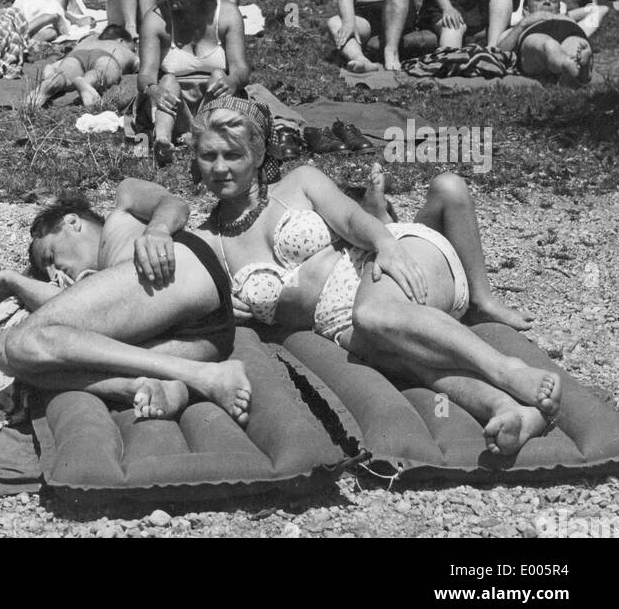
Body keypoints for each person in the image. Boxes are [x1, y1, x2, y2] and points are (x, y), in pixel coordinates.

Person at [127, 97, 560, 456]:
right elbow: (132, 194)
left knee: (375, 315)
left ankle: (508, 369)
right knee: (418, 367)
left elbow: (354, 221)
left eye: (233, 154)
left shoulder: (299, 183)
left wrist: (388, 244)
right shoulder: (208, 243)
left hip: (395, 266)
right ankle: (512, 411)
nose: (220, 168)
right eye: (209, 155)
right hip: (346, 329)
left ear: (258, 155)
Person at [0, 181, 251, 425]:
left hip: (173, 269)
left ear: (72, 222)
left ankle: (199, 376)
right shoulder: (105, 287)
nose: (56, 273)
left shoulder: (122, 210)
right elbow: (62, 328)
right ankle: (143, 386)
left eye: (50, 257)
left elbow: (174, 204)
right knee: (6, 355)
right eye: (48, 274)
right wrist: (14, 282)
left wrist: (157, 230)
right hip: (206, 339)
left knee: (20, 342)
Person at [138, 0, 249, 166]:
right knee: (167, 80)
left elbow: (241, 69)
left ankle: (201, 136)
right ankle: (162, 140)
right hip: (172, 109)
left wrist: (233, 79)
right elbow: (145, 75)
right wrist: (153, 90)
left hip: (214, 104)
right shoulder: (155, 19)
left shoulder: (227, 14)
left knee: (219, 74)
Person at [497, 0, 594, 85]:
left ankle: (577, 68)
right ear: (526, 10)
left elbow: (598, 10)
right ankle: (570, 66)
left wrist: (562, 15)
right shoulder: (518, 26)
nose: (547, 1)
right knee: (548, 45)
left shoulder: (565, 17)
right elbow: (499, 52)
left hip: (570, 31)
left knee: (577, 44)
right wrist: (524, 23)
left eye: (553, 0)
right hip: (535, 34)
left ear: (559, 9)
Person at [27, 25, 139, 109]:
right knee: (101, 71)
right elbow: (139, 64)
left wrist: (50, 73)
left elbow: (53, 65)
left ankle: (50, 82)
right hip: (105, 56)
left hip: (76, 55)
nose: (133, 50)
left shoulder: (89, 40)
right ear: (121, 41)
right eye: (132, 47)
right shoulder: (119, 47)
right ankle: (86, 82)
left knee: (64, 75)